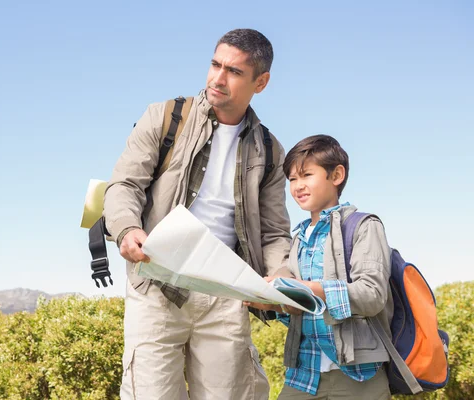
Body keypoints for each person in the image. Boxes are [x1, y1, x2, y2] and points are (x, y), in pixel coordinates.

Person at [103, 29, 292, 399]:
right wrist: (126, 229)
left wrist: (279, 275)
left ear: (261, 82)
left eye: (234, 72)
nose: (218, 79)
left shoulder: (270, 150)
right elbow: (123, 185)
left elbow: (274, 232)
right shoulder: (164, 117)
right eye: (215, 64)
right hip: (156, 286)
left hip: (225, 294)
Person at [246, 134, 393, 399]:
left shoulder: (364, 226)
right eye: (292, 179)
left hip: (358, 376)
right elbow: (303, 310)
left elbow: (372, 296)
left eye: (306, 175)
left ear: (336, 175)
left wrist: (308, 288)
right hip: (303, 376)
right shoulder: (299, 238)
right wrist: (275, 304)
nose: (297, 186)